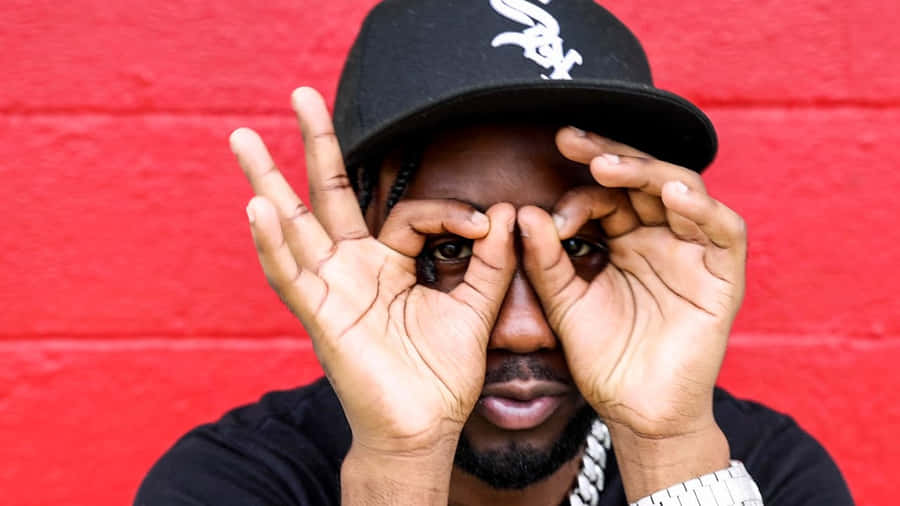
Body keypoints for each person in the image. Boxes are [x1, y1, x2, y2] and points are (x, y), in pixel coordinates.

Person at [135, 1, 853, 505]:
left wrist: (668, 445)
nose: (523, 327)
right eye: (449, 247)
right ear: (355, 231)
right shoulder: (233, 482)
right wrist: (399, 462)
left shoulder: (763, 472)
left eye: (578, 245)